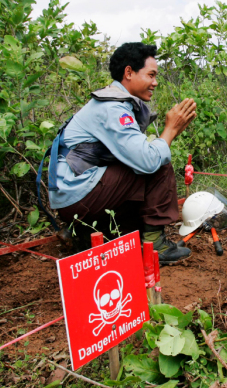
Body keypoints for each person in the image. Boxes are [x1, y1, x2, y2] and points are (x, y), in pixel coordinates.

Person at [49, 42, 196, 264]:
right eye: (151, 75)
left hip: (76, 196)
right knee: (159, 163)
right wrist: (170, 130)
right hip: (78, 197)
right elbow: (148, 161)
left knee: (147, 159)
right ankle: (155, 247)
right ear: (129, 72)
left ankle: (85, 235)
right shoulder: (113, 108)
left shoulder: (116, 102)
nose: (155, 82)